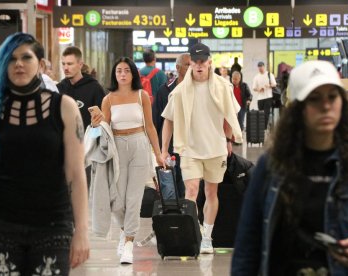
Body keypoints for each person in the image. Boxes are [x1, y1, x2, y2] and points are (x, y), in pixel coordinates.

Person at [0, 33, 90, 275]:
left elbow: (76, 173)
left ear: (41, 64)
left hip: (53, 227)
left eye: (25, 57)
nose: (18, 64)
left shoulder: (64, 107)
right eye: (11, 59)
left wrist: (82, 231)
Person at [232, 60, 348, 275]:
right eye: (314, 99)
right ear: (298, 108)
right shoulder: (271, 167)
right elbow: (248, 241)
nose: (326, 106)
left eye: (332, 97)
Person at [161, 43, 243, 254]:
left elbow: (229, 115)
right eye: (194, 62)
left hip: (215, 148)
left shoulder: (223, 87)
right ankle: (194, 233)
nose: (198, 66)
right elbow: (168, 120)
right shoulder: (180, 91)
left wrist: (228, 140)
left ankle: (207, 236)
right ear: (190, 66)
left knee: (211, 192)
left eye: (202, 62)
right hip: (188, 148)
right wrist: (163, 150)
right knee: (191, 190)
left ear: (209, 63)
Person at [90, 57, 163, 265]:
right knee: (117, 200)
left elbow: (150, 126)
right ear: (115, 74)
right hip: (117, 146)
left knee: (134, 199)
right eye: (119, 71)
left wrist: (158, 153)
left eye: (126, 70)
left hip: (140, 144)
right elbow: (104, 128)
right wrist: (96, 123)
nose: (122, 74)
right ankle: (125, 233)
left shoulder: (142, 96)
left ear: (133, 74)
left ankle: (129, 244)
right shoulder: (108, 99)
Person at [153, 53, 191, 198]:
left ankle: (187, 213)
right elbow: (157, 120)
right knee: (170, 183)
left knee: (188, 184)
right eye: (187, 64)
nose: (191, 68)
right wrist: (158, 148)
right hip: (170, 147)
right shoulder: (165, 90)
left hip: (190, 145)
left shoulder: (197, 89)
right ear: (178, 67)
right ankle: (172, 214)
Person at [57, 46, 106, 130]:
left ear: (80, 64)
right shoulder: (59, 88)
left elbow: (103, 122)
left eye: (69, 64)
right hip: (64, 140)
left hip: (88, 140)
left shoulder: (94, 88)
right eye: (63, 64)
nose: (65, 68)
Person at [252, 61, 276, 129]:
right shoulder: (256, 77)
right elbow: (254, 88)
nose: (260, 68)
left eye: (261, 67)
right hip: (260, 98)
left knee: (266, 114)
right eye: (259, 67)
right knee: (261, 114)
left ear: (264, 67)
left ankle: (264, 128)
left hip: (268, 97)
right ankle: (262, 128)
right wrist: (258, 89)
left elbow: (274, 84)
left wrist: (269, 86)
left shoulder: (269, 74)